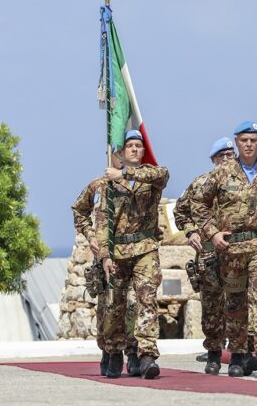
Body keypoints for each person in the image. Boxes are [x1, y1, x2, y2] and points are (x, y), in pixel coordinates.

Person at [192, 121, 257, 379]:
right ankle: (236, 353)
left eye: (253, 140)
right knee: (235, 302)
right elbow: (198, 204)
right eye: (244, 140)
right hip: (231, 248)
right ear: (236, 142)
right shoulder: (221, 173)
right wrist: (212, 232)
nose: (248, 144)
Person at [96, 129, 169, 380]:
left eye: (139, 145)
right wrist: (105, 255)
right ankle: (114, 352)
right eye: (131, 146)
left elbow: (163, 174)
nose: (136, 149)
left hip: (145, 249)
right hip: (118, 252)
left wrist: (125, 172)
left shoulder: (152, 176)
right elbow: (103, 222)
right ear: (122, 152)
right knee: (115, 305)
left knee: (146, 299)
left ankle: (146, 354)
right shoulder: (110, 184)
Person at [71, 155, 140, 377]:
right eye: (119, 151)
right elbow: (79, 210)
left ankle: (132, 351)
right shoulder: (99, 185)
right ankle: (110, 351)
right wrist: (90, 235)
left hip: (135, 255)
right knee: (109, 307)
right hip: (108, 256)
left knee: (134, 305)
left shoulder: (140, 185)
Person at [174, 136, 235, 375]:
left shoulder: (245, 183)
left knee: (239, 302)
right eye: (222, 156)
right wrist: (190, 231)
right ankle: (213, 351)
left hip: (236, 253)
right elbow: (181, 210)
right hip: (208, 253)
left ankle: (241, 350)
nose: (227, 159)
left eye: (231, 155)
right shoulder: (200, 183)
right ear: (213, 159)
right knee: (212, 304)